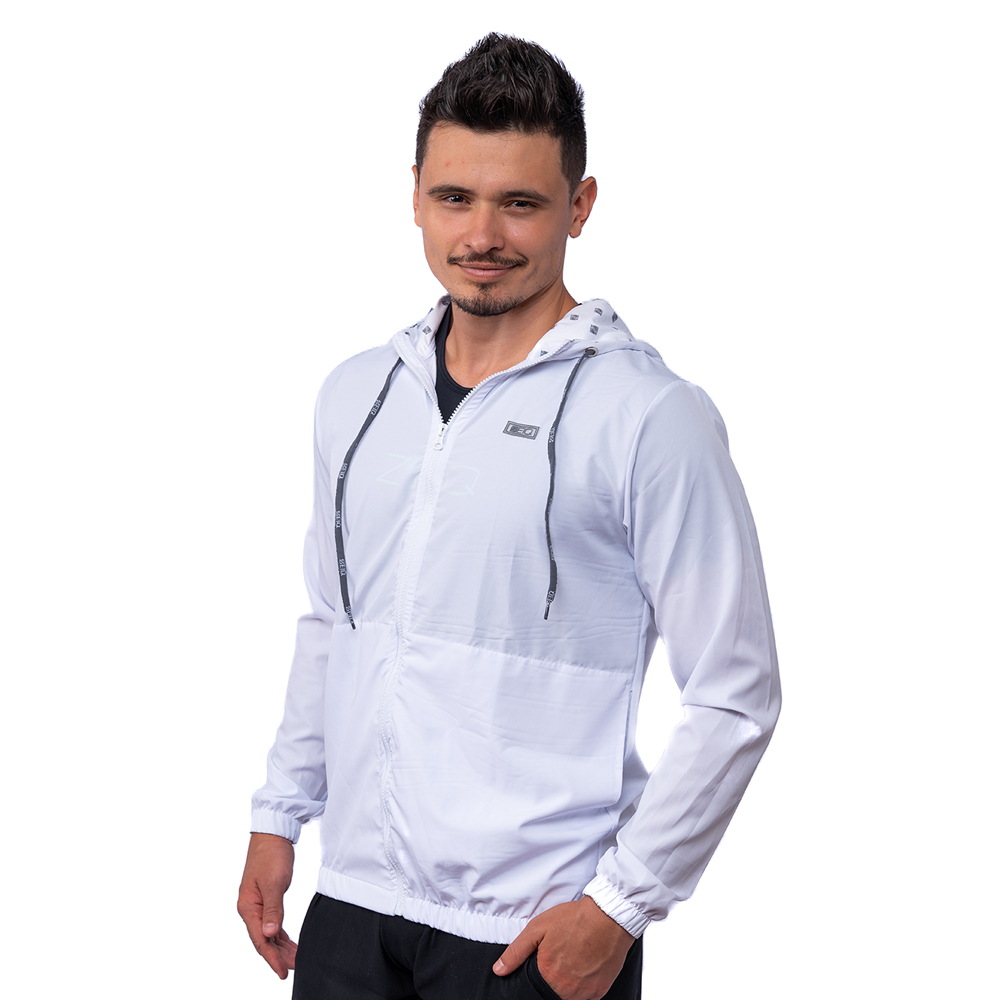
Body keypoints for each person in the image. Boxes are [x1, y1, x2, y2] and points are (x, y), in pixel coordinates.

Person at [238, 33, 780, 1000]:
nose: (481, 234)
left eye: (520, 203)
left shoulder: (648, 416)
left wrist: (621, 907)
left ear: (580, 205)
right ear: (415, 195)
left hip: (527, 934)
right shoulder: (357, 395)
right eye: (455, 197)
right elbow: (334, 622)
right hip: (352, 906)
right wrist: (279, 815)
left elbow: (735, 692)